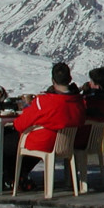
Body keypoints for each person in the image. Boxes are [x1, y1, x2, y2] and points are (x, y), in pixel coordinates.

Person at [12, 62, 86, 191]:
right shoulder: (79, 102)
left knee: (5, 143)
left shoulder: (44, 101)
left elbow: (20, 124)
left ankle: (6, 176)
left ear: (53, 80)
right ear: (70, 79)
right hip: (67, 144)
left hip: (43, 143)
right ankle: (18, 176)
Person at [76, 67, 104, 148]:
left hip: (81, 138)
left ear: (97, 86)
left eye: (91, 82)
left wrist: (81, 90)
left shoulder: (91, 101)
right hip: (96, 139)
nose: (89, 83)